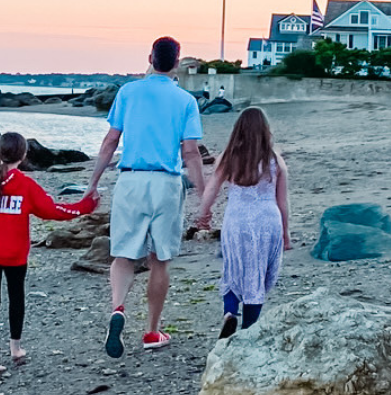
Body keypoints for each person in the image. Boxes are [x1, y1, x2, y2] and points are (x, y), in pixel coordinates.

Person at [83, 36, 205, 358]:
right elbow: (190, 152)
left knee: (122, 255)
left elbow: (111, 141)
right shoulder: (185, 101)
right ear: (177, 63)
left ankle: (119, 308)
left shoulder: (128, 93)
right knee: (159, 260)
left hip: (131, 180)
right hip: (165, 182)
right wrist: (203, 193)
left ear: (150, 57)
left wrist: (93, 183)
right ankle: (152, 330)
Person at [0, 132, 98, 376]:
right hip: (14, 253)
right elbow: (53, 211)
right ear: (23, 155)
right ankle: (16, 348)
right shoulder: (26, 185)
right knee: (16, 297)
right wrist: (85, 207)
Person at [194, 107, 290, 338]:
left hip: (237, 220)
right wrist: (286, 233)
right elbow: (283, 201)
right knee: (258, 275)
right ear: (265, 130)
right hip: (268, 219)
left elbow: (211, 190)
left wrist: (203, 216)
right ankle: (248, 328)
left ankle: (230, 312)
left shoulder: (228, 157)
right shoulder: (275, 160)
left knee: (233, 268)